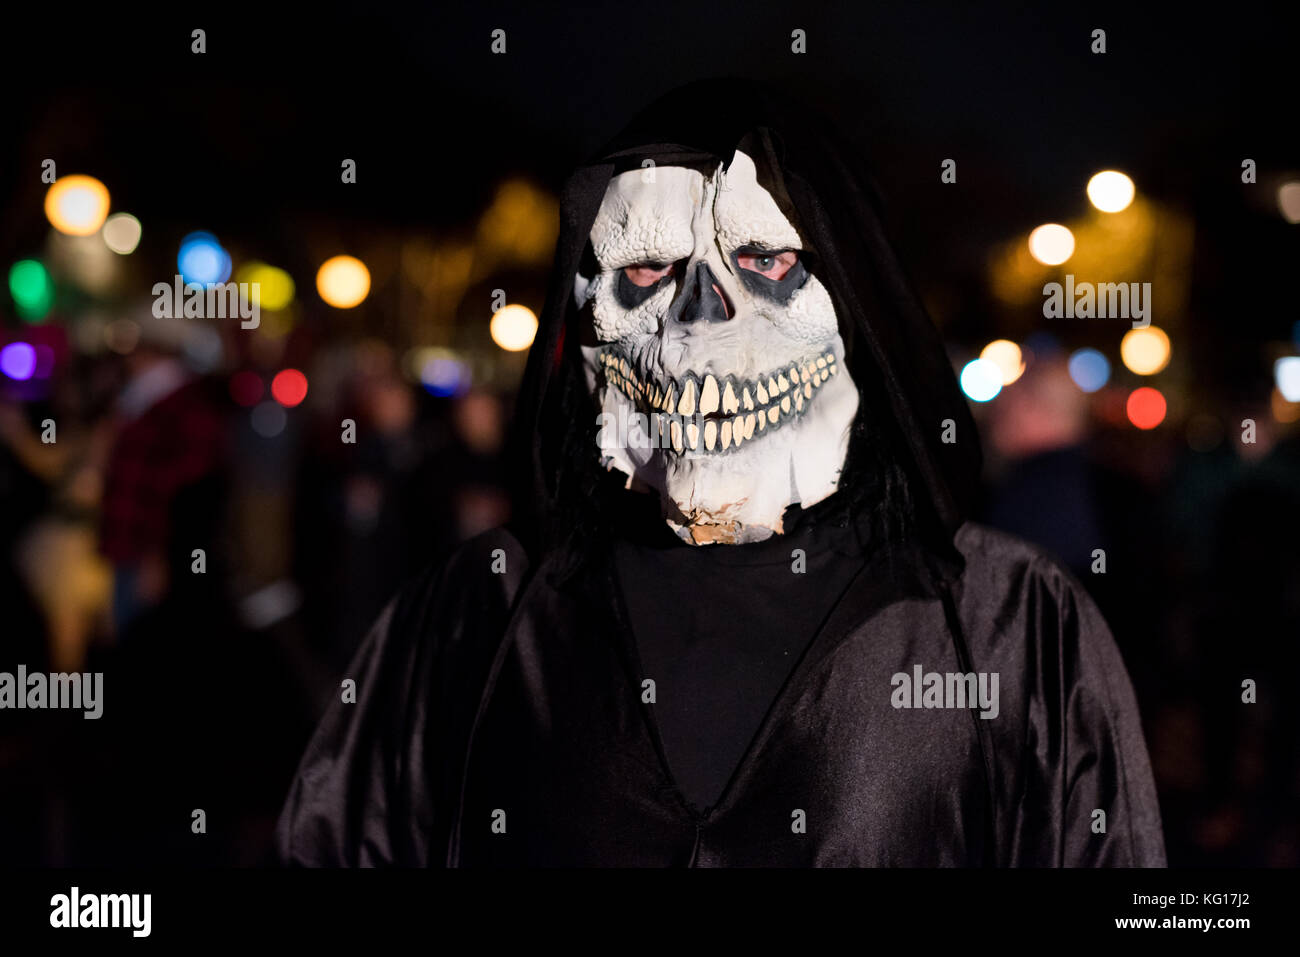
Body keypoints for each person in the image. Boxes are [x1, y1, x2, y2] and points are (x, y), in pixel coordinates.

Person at [275, 81, 1166, 867]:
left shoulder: (1015, 630)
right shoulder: (475, 616)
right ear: (586, 316)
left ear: (855, 307)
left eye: (768, 262)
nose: (700, 321)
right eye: (649, 269)